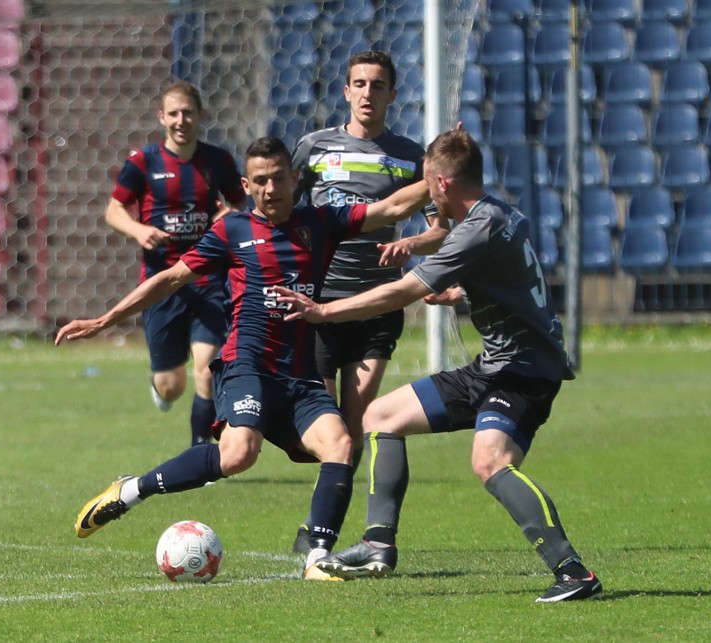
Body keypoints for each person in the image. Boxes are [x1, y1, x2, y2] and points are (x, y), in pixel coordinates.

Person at [55, 136, 431, 580]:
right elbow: (171, 277)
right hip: (246, 366)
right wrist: (107, 318)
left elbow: (390, 209)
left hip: (299, 375)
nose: (271, 189)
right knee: (237, 455)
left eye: (278, 178)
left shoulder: (321, 222)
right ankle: (131, 489)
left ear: (295, 178)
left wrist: (441, 178)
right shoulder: (231, 231)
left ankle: (317, 558)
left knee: (341, 445)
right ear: (246, 186)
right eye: (260, 181)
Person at [274, 129, 603, 602]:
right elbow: (515, 282)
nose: (428, 195)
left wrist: (323, 310)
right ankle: (377, 542)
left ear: (443, 185)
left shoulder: (476, 229)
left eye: (429, 185)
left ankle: (574, 573)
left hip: (525, 373)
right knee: (381, 417)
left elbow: (402, 291)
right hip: (493, 367)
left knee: (490, 461)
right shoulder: (501, 215)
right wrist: (464, 293)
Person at [289, 50, 449, 553]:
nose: (366, 93)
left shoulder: (409, 156)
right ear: (345, 91)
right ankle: (323, 519)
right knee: (319, 425)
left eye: (377, 85)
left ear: (391, 95)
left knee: (354, 425)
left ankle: (319, 532)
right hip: (318, 302)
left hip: (376, 305)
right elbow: (285, 217)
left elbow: (440, 232)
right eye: (358, 83)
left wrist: (412, 247)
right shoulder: (312, 149)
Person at [105, 80, 247, 446]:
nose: (181, 120)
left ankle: (202, 449)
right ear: (161, 117)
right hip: (161, 282)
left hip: (207, 280)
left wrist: (229, 215)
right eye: (174, 113)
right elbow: (114, 210)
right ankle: (161, 386)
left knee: (207, 369)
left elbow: (240, 205)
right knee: (172, 386)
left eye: (188, 112)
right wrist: (138, 231)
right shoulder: (143, 161)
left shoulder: (219, 161)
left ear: (200, 115)